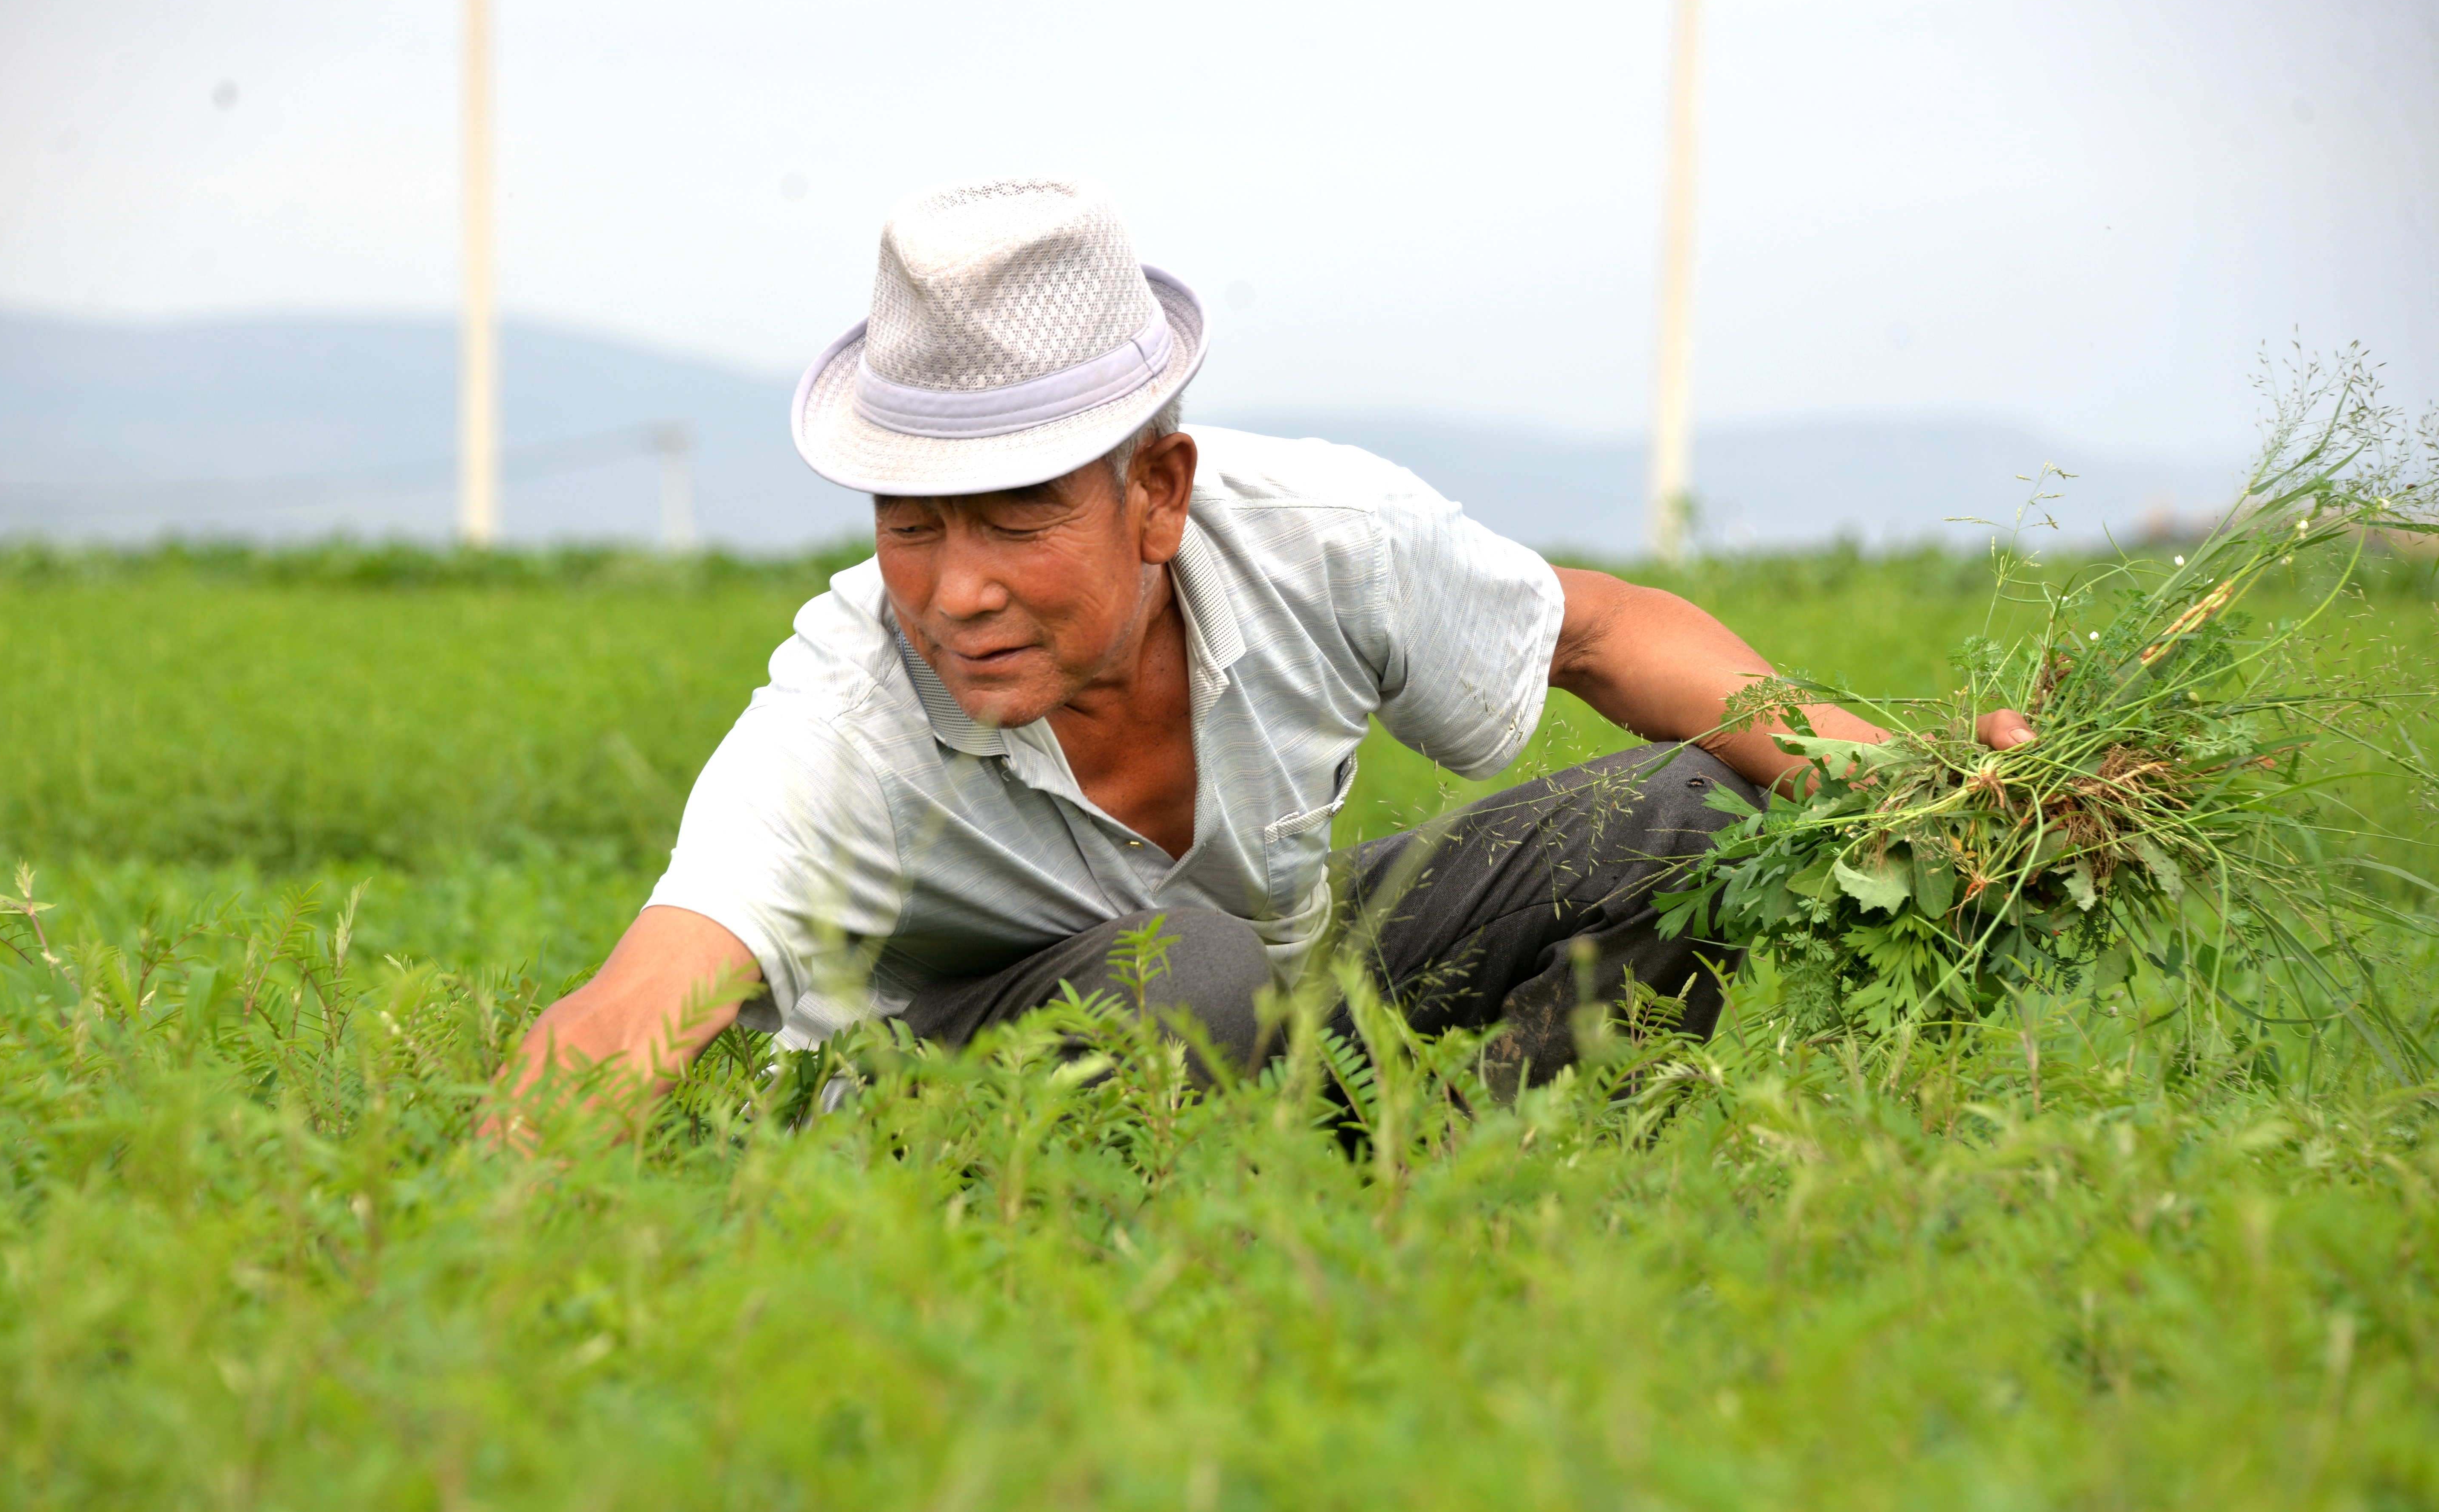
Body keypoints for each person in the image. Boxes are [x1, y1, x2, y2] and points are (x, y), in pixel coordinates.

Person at [501, 177, 2032, 1116]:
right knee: (1204, 972)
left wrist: (1922, 790)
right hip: (957, 1112)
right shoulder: (847, 713)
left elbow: (1604, 633)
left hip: (1292, 1007)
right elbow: (632, 1011)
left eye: (1015, 520)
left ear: (1157, 492)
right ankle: (1262, 1238)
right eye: (916, 524)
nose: (953, 591)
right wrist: (482, 1248)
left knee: (1697, 817)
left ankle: (1482, 1220)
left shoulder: (1318, 535)